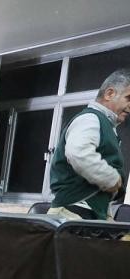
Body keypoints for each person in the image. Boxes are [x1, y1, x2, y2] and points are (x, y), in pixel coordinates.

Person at [48, 68, 129, 220]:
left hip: (89, 212)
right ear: (109, 94)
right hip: (74, 212)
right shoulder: (90, 118)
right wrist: (112, 179)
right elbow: (78, 153)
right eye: (128, 98)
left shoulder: (107, 126)